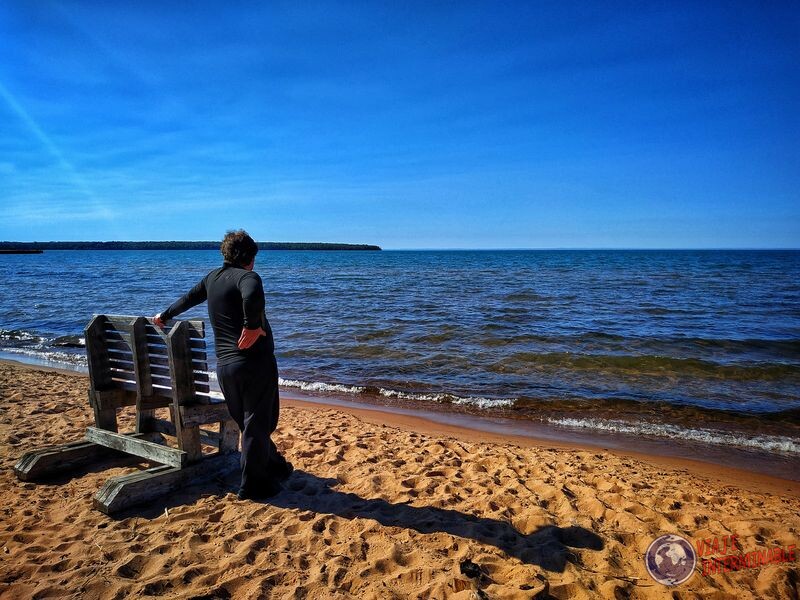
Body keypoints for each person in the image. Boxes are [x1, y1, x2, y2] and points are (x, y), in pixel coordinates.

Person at [153, 230, 291, 500]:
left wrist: (164, 315)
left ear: (225, 254)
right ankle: (252, 487)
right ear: (250, 257)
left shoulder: (211, 279)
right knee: (257, 424)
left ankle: (275, 465)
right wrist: (251, 326)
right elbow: (251, 294)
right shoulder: (248, 277)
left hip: (226, 368)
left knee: (251, 425)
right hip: (255, 366)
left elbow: (188, 299)